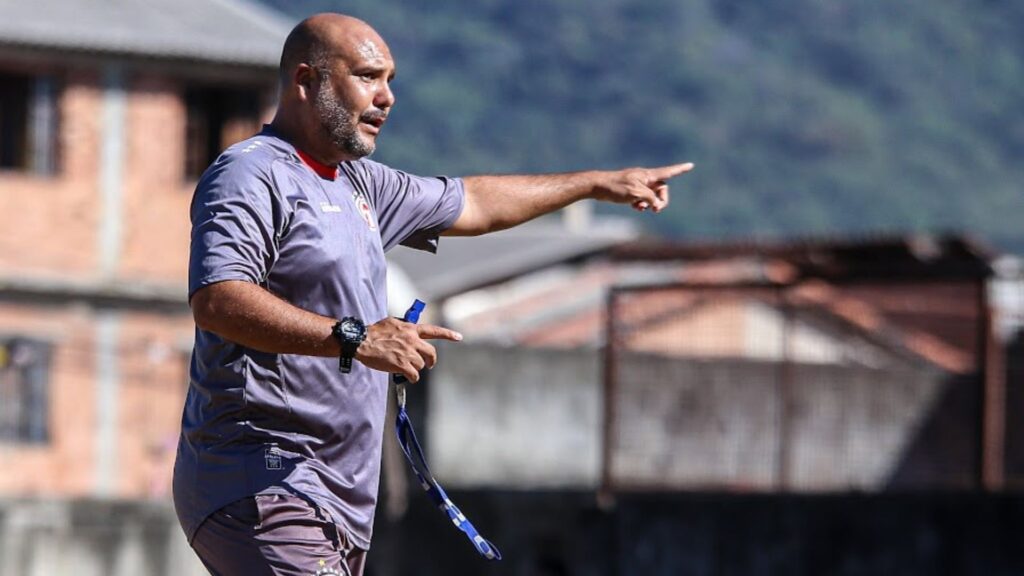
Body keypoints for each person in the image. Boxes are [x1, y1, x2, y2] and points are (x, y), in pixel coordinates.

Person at [173, 12, 693, 576]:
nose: (388, 97)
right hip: (264, 481)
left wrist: (595, 183)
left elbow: (474, 203)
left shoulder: (359, 183)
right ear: (306, 81)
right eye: (369, 76)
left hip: (336, 501)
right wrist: (357, 337)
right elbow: (218, 298)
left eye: (390, 79)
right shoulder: (250, 174)